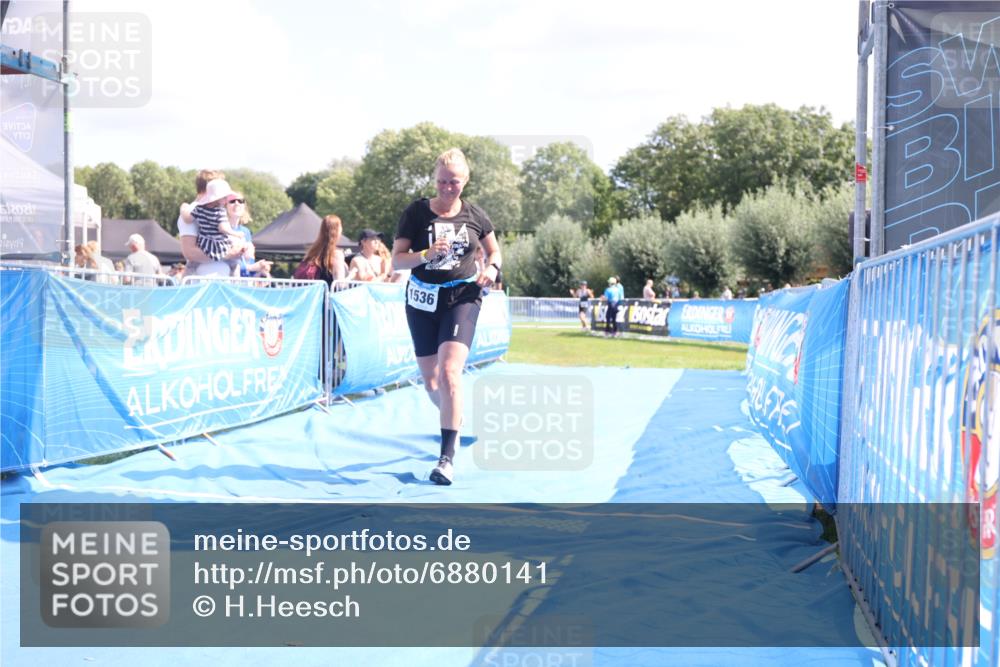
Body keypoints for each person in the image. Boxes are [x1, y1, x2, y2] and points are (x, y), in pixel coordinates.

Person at [391, 147, 502, 485]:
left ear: (465, 182)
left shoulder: (476, 215)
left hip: (461, 296)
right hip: (422, 299)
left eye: (453, 182)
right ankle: (453, 415)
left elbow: (494, 250)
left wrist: (493, 267)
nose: (447, 188)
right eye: (441, 181)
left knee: (451, 372)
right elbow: (397, 261)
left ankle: (446, 459)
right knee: (432, 381)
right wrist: (424, 254)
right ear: (434, 180)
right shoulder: (416, 213)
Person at [178, 170, 247, 277]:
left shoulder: (201, 209)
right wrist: (229, 254)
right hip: (204, 283)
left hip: (215, 282)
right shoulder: (194, 209)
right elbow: (190, 252)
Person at [226, 192, 272, 278]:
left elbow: (249, 262)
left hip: (244, 282)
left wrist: (260, 268)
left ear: (244, 207)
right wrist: (250, 267)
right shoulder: (221, 230)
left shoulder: (246, 232)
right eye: (232, 201)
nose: (236, 203)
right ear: (225, 206)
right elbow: (222, 260)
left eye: (240, 201)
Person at [294, 214, 347, 285]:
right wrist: (351, 276)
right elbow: (340, 284)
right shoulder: (337, 254)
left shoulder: (312, 252)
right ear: (337, 230)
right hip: (327, 294)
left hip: (313, 294)